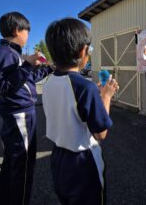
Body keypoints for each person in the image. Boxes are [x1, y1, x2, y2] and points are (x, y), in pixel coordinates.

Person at [42, 17, 118, 205]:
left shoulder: (48, 82)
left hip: (58, 159)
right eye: (89, 49)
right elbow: (101, 133)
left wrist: (97, 97)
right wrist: (106, 97)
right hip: (83, 163)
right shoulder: (85, 87)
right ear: (82, 50)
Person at [0, 12, 53, 205]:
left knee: (12, 164)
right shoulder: (4, 53)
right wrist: (27, 65)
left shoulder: (13, 53)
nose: (28, 35)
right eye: (27, 31)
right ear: (17, 30)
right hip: (20, 115)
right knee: (23, 166)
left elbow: (28, 79)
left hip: (22, 114)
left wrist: (48, 68)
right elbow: (2, 87)